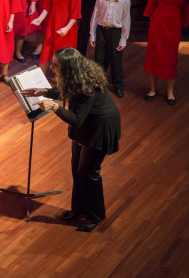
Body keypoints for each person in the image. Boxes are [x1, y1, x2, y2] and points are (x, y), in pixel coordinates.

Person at [22, 47, 120, 232]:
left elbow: (76, 119)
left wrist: (54, 107)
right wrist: (43, 91)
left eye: (55, 65)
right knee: (77, 170)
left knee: (88, 173)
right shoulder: (76, 76)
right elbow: (66, 90)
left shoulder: (87, 86)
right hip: (86, 128)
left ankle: (95, 216)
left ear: (68, 69)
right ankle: (79, 209)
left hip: (99, 130)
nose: (51, 68)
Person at [143, 0, 189, 105]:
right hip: (158, 24)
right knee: (154, 55)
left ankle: (169, 91)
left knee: (170, 58)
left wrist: (183, 24)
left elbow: (188, 8)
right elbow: (152, 0)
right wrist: (150, 16)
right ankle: (153, 89)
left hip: (173, 26)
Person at [31, 0, 82, 72]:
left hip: (66, 28)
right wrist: (40, 19)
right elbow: (48, 5)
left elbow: (75, 14)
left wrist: (66, 29)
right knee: (46, 52)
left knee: (63, 57)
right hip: (53, 24)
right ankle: (40, 79)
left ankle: (62, 83)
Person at [89, 0, 131, 98]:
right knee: (99, 59)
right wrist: (92, 34)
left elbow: (126, 21)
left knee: (115, 60)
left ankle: (118, 86)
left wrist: (123, 39)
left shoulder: (125, 1)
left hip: (115, 33)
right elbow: (95, 17)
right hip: (101, 31)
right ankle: (98, 84)